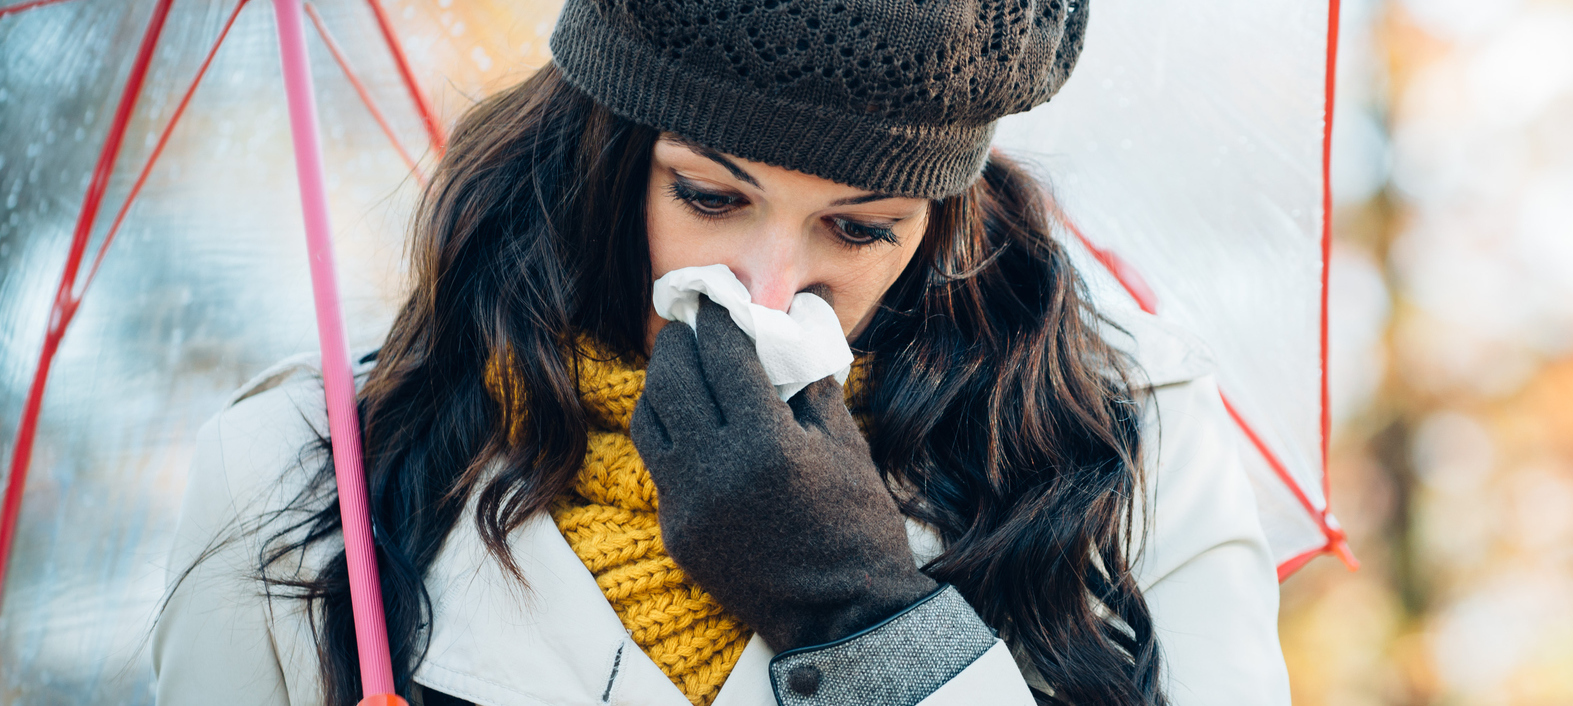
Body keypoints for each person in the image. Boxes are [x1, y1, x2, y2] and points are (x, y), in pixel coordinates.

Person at [151, 0, 1288, 704]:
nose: (768, 287)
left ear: (938, 220)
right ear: (603, 153)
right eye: (706, 194)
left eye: (861, 227)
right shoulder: (301, 481)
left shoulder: (1123, 447)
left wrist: (865, 622)